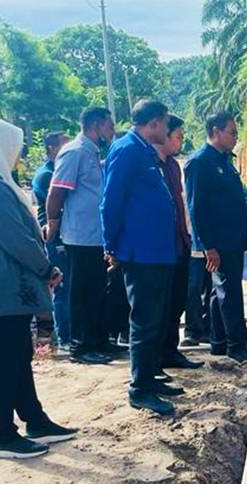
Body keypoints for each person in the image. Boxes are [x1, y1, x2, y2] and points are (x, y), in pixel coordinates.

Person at [0, 118, 76, 457]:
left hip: (12, 290)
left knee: (17, 356)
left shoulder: (1, 185)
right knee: (4, 360)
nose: (19, 156)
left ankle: (33, 417)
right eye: (16, 148)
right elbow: (16, 239)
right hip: (2, 290)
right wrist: (45, 268)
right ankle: (1, 433)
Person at [101, 99, 182, 416]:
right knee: (145, 321)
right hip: (141, 253)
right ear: (154, 122)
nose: (167, 127)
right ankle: (140, 389)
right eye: (165, 122)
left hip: (159, 252)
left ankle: (152, 376)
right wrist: (111, 245)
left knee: (157, 319)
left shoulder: (145, 151)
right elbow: (111, 202)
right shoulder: (127, 149)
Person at [184, 112, 247, 363]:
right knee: (229, 291)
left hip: (234, 237)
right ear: (216, 131)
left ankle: (218, 342)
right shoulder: (200, 162)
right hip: (218, 240)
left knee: (220, 292)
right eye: (232, 132)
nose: (236, 138)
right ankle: (237, 345)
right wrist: (208, 246)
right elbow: (197, 207)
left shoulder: (225, 161)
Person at [45, 107, 115, 364]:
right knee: (82, 292)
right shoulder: (74, 152)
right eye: (109, 125)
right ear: (96, 125)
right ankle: (80, 347)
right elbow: (56, 192)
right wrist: (53, 222)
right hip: (80, 236)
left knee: (97, 289)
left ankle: (98, 341)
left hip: (96, 235)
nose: (111, 130)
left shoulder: (92, 152)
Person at [155, 114, 203, 371]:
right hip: (159, 248)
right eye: (178, 136)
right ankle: (154, 362)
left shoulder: (173, 166)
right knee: (158, 308)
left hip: (180, 243)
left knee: (176, 302)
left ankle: (170, 352)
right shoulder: (148, 164)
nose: (181, 141)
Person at [32, 131, 70, 349]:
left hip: (66, 235)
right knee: (62, 287)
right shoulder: (46, 175)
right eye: (64, 144)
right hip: (55, 237)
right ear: (51, 149)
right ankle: (65, 337)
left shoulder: (57, 170)